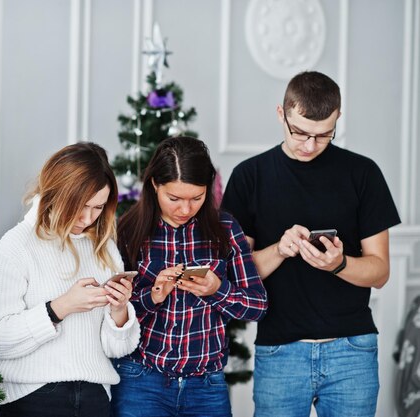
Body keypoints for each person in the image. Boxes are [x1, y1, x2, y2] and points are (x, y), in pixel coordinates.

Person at [221, 71, 401, 417]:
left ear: (337, 119)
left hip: (353, 352)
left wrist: (340, 264)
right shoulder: (249, 176)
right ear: (281, 114)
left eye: (323, 136)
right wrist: (280, 249)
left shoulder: (363, 174)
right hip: (279, 352)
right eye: (299, 132)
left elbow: (380, 272)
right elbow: (235, 274)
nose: (309, 145)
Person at [111, 136, 268, 417]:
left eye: (197, 198)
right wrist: (153, 296)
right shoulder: (128, 231)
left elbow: (257, 306)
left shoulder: (226, 229)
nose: (185, 209)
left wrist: (218, 290)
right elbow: (111, 317)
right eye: (174, 199)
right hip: (141, 382)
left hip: (207, 386)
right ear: (155, 185)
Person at [0, 142, 141, 417]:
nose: (89, 218)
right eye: (81, 206)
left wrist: (118, 311)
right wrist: (60, 307)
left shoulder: (103, 248)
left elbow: (118, 349)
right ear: (58, 194)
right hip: (34, 399)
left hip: (94, 400)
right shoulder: (18, 245)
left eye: (98, 207)